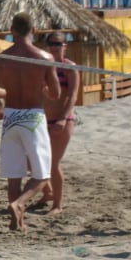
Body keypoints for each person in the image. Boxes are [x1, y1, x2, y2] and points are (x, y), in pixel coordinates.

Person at [0, 12, 61, 231]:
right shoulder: (45, 58)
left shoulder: (2, 59)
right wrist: (39, 88)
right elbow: (55, 93)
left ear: (12, 31)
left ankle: (17, 221)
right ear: (33, 31)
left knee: (14, 174)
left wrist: (7, 92)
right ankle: (19, 204)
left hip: (11, 116)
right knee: (42, 174)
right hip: (33, 116)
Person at [40, 31, 81, 214]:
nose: (54, 47)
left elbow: (73, 95)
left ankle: (57, 205)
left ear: (65, 45)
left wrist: (63, 118)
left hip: (62, 119)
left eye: (58, 44)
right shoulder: (43, 66)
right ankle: (48, 191)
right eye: (51, 43)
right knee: (33, 160)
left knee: (54, 162)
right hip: (43, 119)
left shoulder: (69, 67)